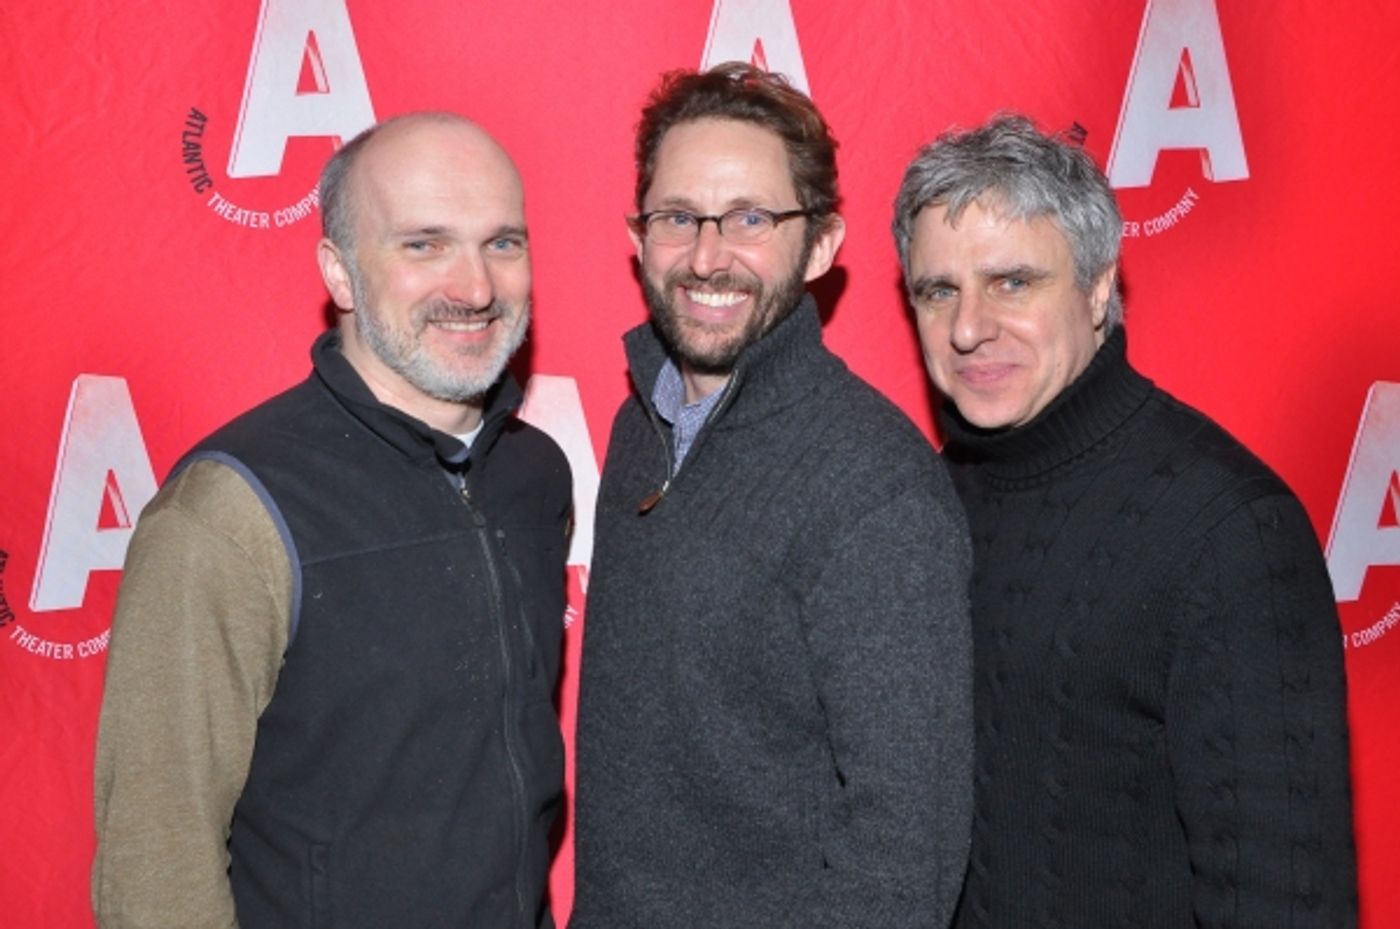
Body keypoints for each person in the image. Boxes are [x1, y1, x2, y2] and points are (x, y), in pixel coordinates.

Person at [91, 112, 572, 929]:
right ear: (340, 272)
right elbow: (156, 861)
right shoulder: (229, 512)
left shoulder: (534, 476)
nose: (477, 286)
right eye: (423, 244)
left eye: (503, 242)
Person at [892, 113, 1357, 928]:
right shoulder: (921, 505)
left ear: (1099, 287)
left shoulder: (1229, 529)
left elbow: (1287, 899)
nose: (968, 328)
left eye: (1012, 282)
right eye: (939, 290)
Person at [571, 63, 973, 929]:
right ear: (638, 235)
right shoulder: (639, 425)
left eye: (751, 218)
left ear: (821, 244)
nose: (708, 255)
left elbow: (910, 853)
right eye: (679, 217)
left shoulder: (875, 486)